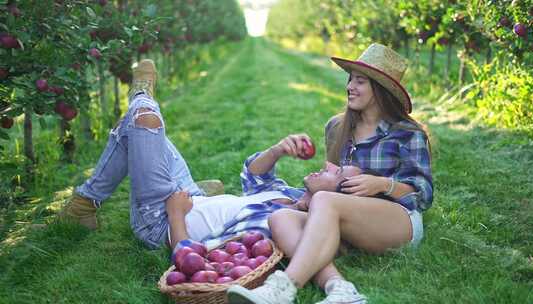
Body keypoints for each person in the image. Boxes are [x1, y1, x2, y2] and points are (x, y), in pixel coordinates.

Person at [58, 59, 363, 254]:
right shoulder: (288, 196)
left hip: (160, 220)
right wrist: (278, 149)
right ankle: (83, 206)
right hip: (190, 197)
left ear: (335, 198)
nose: (328, 163)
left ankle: (141, 94)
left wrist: (176, 213)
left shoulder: (277, 227)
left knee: (144, 120)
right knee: (136, 131)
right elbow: (253, 175)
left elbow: (192, 256)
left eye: (336, 172)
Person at [227, 43, 433, 304]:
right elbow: (332, 181)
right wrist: (304, 199)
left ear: (380, 90)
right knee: (281, 218)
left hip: (397, 220)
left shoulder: (407, 133)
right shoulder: (337, 127)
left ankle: (282, 288)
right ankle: (340, 289)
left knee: (325, 201)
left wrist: (382, 184)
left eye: (360, 82)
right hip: (347, 218)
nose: (349, 87)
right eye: (350, 80)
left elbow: (423, 194)